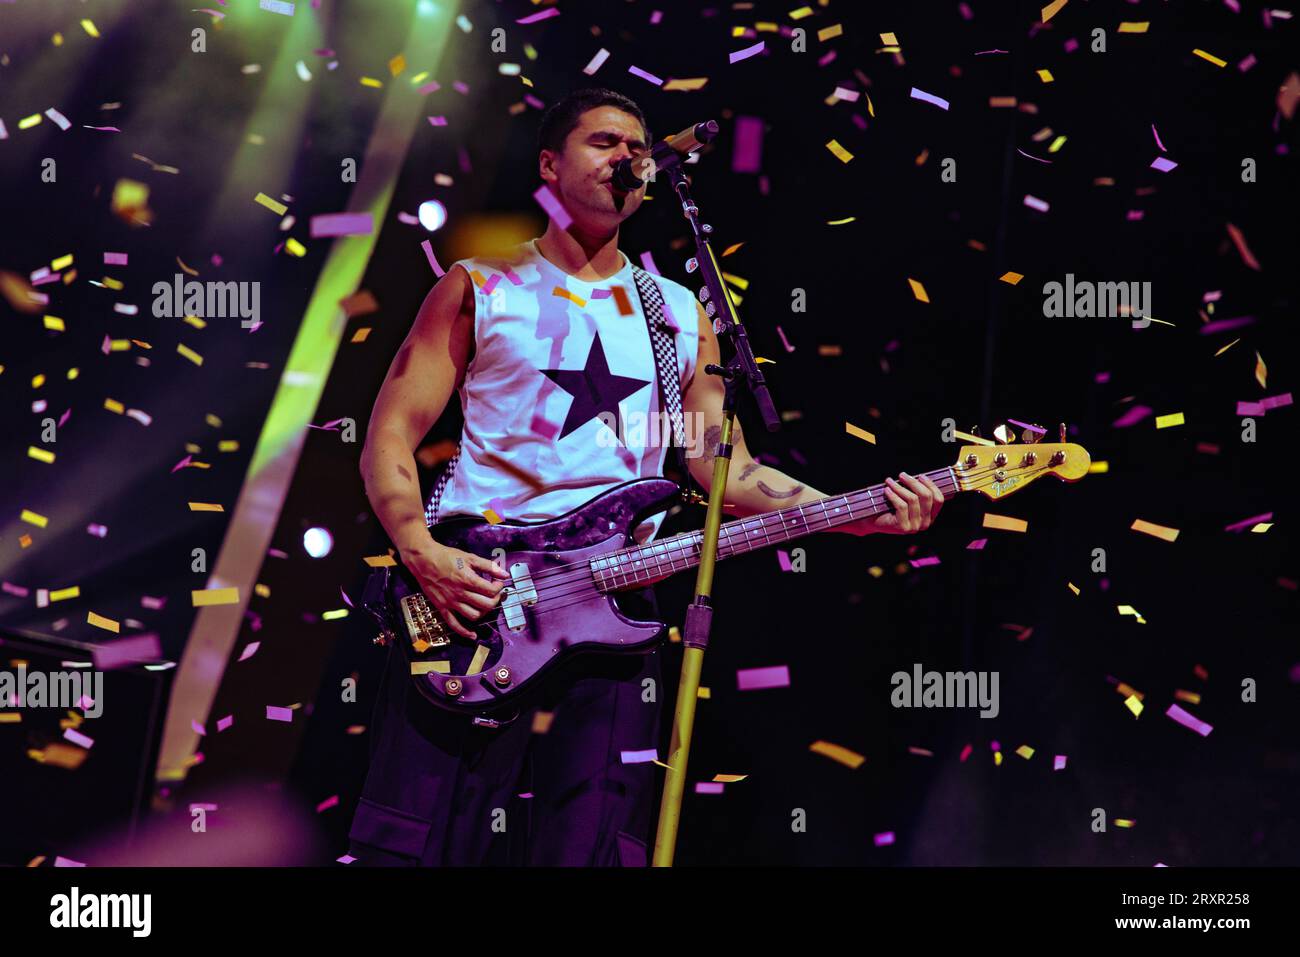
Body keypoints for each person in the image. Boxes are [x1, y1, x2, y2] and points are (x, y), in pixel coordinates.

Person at [348, 87, 945, 866]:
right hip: (476, 595)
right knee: (426, 840)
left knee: (596, 846)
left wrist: (849, 512)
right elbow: (389, 431)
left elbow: (719, 464)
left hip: (615, 611)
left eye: (637, 147)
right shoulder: (480, 285)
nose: (626, 157)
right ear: (550, 164)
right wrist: (421, 549)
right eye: (603, 142)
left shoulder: (676, 313)